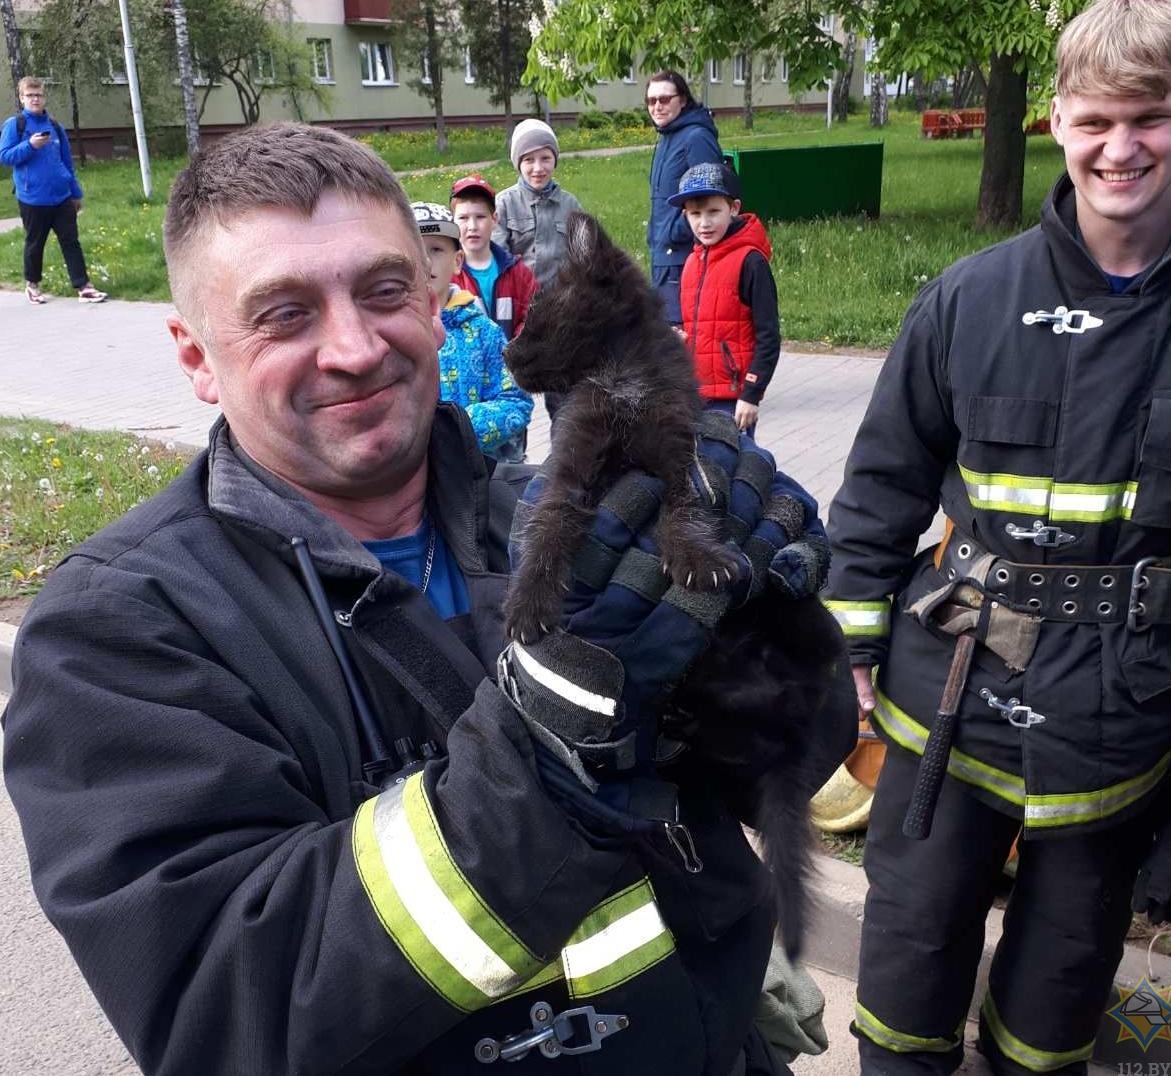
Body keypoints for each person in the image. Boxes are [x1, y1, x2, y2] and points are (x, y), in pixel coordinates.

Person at [3, 121, 850, 1076]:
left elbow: (794, 758)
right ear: (196, 355)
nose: (356, 348)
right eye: (283, 314)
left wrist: (771, 623)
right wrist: (554, 736)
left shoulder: (558, 509)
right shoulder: (118, 634)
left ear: (440, 305)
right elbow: (236, 1012)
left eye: (384, 291)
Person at [823, 0, 1171, 1076]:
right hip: (953, 694)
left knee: (1060, 984)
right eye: (1095, 119)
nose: (1121, 147)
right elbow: (882, 479)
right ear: (1060, 120)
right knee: (907, 960)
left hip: (1125, 707)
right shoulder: (969, 299)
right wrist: (847, 645)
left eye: (1152, 116)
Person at [413, 199, 533, 460]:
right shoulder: (386, 333)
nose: (424, 261)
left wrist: (457, 428)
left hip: (471, 478)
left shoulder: (483, 332)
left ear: (458, 261)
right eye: (413, 250)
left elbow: (516, 402)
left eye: (435, 250)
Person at [669, 162, 780, 438]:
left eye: (713, 212)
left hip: (734, 399)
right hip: (696, 393)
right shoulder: (693, 262)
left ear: (734, 208)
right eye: (695, 214)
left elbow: (769, 337)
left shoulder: (751, 262)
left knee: (732, 473)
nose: (704, 223)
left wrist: (752, 393)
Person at [0, 76, 108, 304]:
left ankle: (83, 286)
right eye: (30, 95)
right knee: (35, 243)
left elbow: (66, 161)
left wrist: (75, 192)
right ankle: (32, 285)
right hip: (32, 198)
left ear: (44, 97)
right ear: (22, 98)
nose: (35, 99)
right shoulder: (15, 125)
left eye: (38, 95)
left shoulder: (55, 126)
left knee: (71, 241)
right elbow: (5, 156)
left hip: (61, 197)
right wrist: (30, 145)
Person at [646, 71, 725, 326]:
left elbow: (712, 196)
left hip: (683, 260)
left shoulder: (696, 138)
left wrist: (675, 232)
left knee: (683, 342)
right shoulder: (668, 136)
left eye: (665, 99)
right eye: (651, 101)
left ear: (683, 100)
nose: (657, 106)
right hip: (663, 258)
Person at [493, 118, 583, 285]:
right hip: (519, 300)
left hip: (562, 300)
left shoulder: (571, 205)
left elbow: (583, 257)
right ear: (518, 164)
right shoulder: (503, 204)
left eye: (545, 158)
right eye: (529, 160)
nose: (538, 168)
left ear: (555, 160)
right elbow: (495, 258)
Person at [450, 173, 537, 339]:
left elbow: (533, 317)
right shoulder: (448, 275)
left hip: (511, 360)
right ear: (452, 221)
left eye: (480, 217)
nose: (472, 226)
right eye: (463, 218)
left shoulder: (518, 273)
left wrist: (515, 347)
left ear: (494, 219)